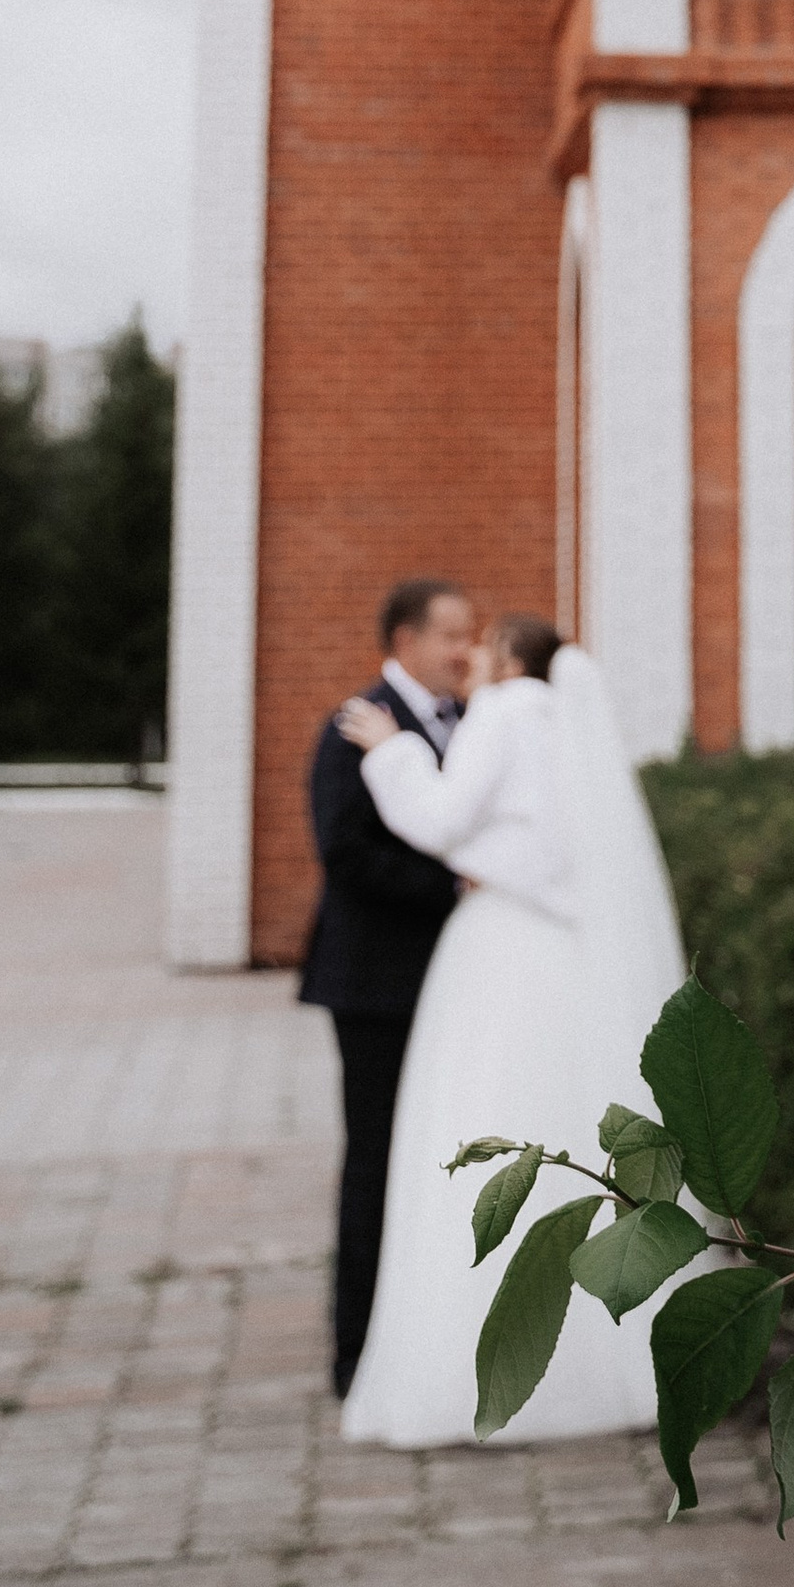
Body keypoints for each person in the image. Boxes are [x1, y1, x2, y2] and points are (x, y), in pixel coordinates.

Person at [332, 611, 688, 1449]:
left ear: (507, 659)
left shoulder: (505, 711)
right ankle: (601, 1356)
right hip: (560, 953)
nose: (471, 658)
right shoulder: (568, 726)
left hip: (501, 945)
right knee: (558, 1115)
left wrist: (392, 749)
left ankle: (471, 1365)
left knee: (478, 1117)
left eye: (482, 644)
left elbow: (445, 818)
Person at [299, 577, 478, 1397]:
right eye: (452, 635)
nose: (464, 651)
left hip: (454, 986)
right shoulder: (354, 726)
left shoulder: (472, 724)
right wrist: (453, 888)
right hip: (375, 985)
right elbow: (345, 849)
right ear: (406, 639)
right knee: (375, 1159)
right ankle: (356, 1348)